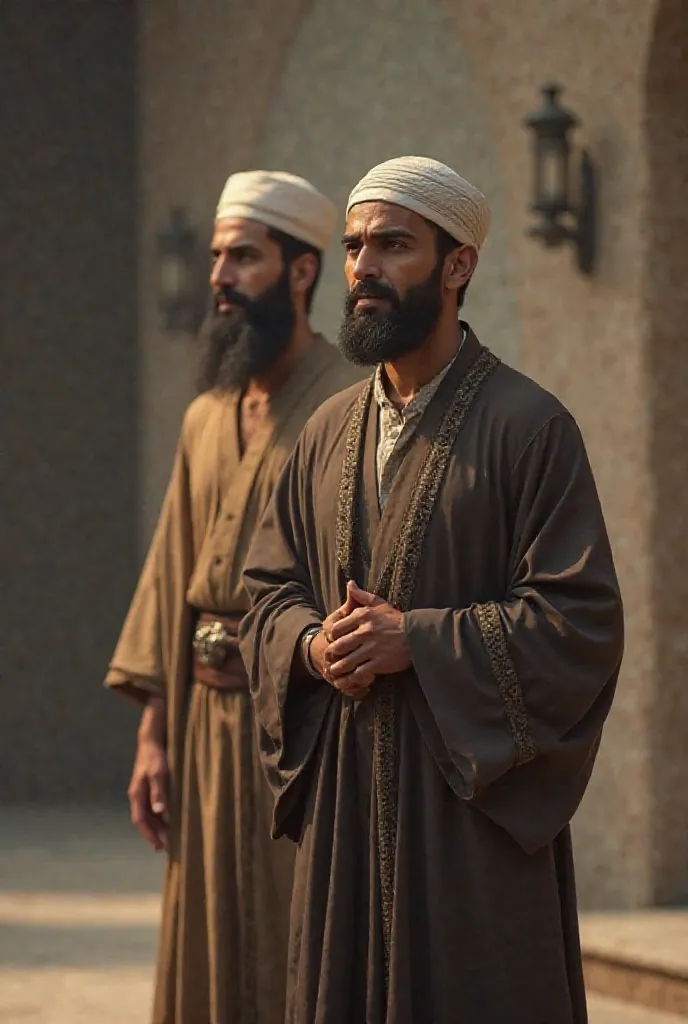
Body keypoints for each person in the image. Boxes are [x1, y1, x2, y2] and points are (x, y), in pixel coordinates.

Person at [238, 156, 624, 1023]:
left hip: (467, 826)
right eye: (353, 246)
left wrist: (419, 639)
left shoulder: (531, 429)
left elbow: (581, 620)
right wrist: (311, 644)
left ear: (459, 265)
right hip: (345, 817)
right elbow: (265, 592)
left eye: (393, 245)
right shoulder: (326, 432)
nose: (364, 267)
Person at [105, 169, 362, 1024]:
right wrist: (153, 734)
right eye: (217, 256)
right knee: (205, 943)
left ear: (301, 271)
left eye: (243, 257)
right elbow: (170, 570)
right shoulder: (206, 415)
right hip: (202, 724)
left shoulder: (345, 405)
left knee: (297, 938)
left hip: (300, 727)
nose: (220, 276)